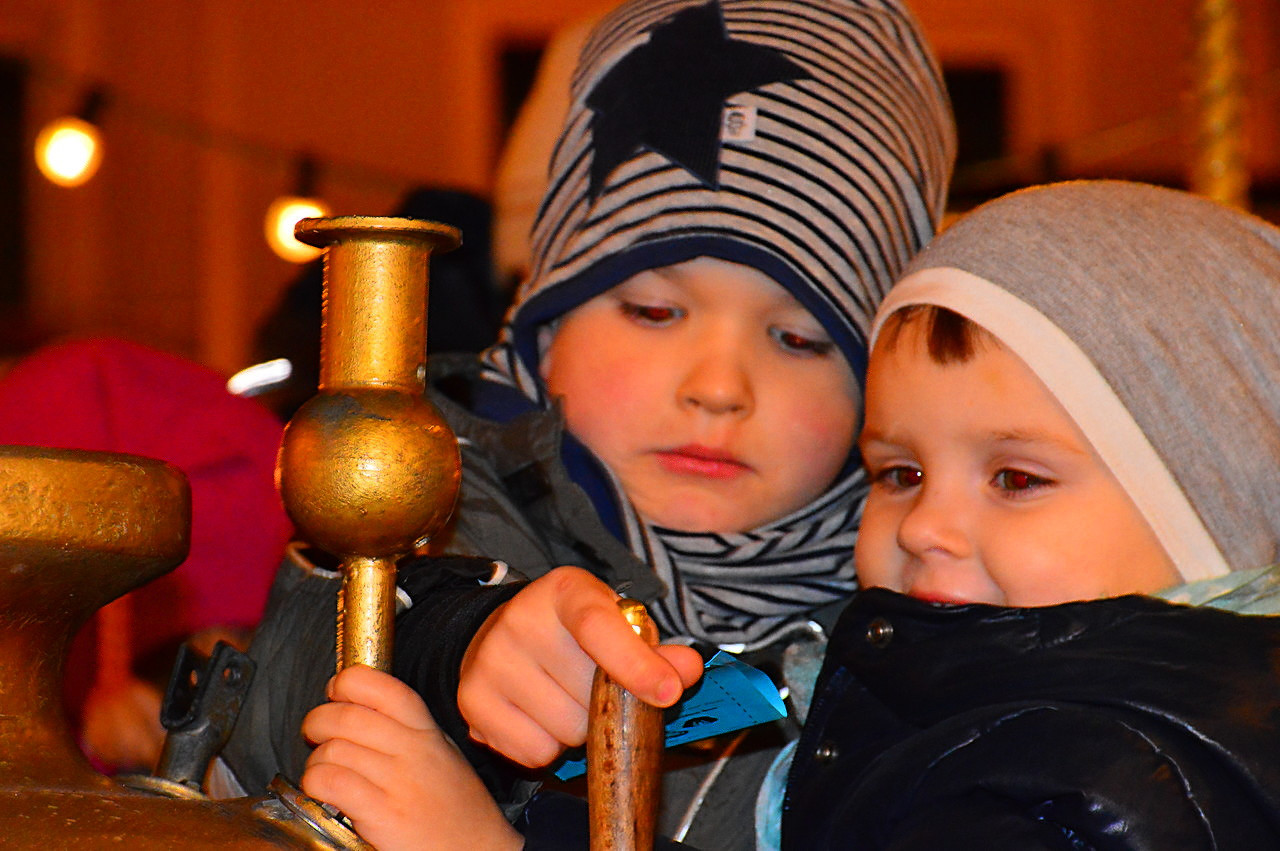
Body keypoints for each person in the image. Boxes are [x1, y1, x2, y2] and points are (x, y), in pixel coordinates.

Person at [299, 180, 1280, 850]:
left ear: (1214, 515)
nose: (924, 526)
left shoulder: (1108, 775)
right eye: (898, 472)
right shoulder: (980, 705)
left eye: (1015, 478)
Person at [217, 0, 954, 846]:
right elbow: (291, 665)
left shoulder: (924, 604)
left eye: (799, 339)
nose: (719, 388)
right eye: (652, 311)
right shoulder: (428, 488)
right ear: (543, 323)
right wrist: (454, 642)